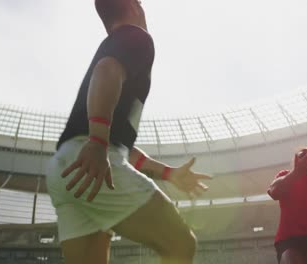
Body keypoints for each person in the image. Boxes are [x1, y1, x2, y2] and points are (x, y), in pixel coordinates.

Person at [46, 0, 211, 263]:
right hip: (94, 159)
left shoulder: (114, 47)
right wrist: (98, 144)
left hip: (64, 167)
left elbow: (120, 144)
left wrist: (167, 173)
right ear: (134, 7)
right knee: (180, 244)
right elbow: (106, 70)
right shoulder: (138, 37)